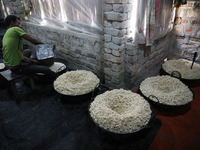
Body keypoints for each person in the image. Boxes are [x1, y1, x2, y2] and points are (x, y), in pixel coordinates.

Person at [2, 15, 57, 80]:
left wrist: (34, 61)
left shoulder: (6, 34)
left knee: (27, 51)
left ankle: (32, 66)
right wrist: (48, 46)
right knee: (46, 70)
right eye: (18, 23)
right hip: (16, 68)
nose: (20, 26)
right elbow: (34, 41)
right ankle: (59, 79)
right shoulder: (14, 29)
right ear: (12, 23)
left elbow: (20, 55)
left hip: (9, 64)